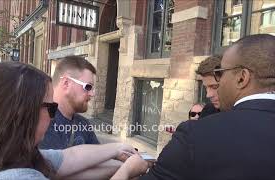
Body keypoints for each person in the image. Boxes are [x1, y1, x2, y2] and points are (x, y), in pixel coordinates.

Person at [113, 34, 275, 179]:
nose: (210, 93)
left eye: (220, 74)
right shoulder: (206, 117)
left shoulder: (194, 135)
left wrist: (127, 170)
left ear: (242, 78)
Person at [0, 61, 145, 180]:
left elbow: (70, 157)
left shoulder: (14, 155)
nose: (53, 115)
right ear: (23, 114)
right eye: (50, 107)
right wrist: (126, 171)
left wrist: (119, 149)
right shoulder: (19, 176)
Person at [39, 56, 100, 150]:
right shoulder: (42, 120)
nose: (92, 94)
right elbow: (57, 163)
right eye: (88, 87)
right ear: (66, 83)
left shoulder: (83, 123)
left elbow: (99, 156)